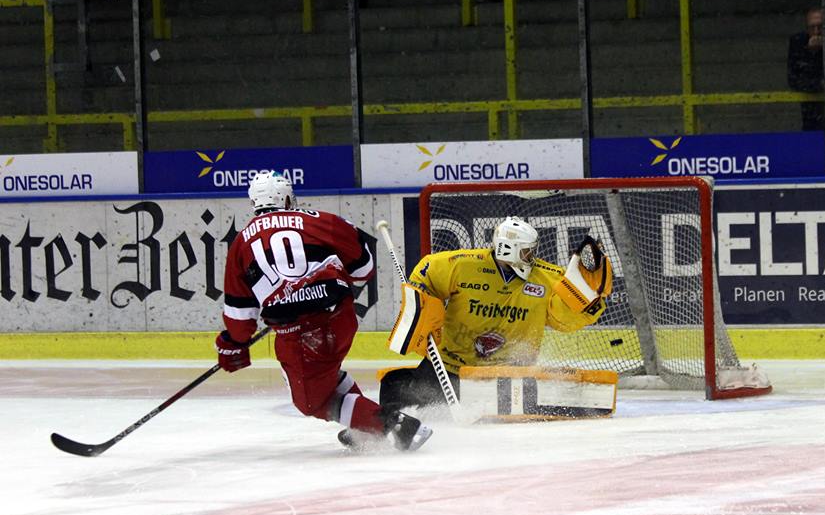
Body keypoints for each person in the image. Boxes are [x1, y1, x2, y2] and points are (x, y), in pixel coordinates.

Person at [215, 171, 432, 452]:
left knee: (312, 402)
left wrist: (233, 344)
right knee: (326, 376)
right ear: (287, 198)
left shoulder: (242, 243)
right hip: (341, 317)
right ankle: (362, 428)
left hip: (301, 336)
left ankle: (398, 427)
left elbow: (240, 316)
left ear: (254, 202)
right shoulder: (320, 220)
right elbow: (364, 269)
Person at [379, 216, 613, 414]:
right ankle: (385, 427)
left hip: (511, 378)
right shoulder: (463, 266)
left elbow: (564, 321)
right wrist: (420, 303)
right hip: (451, 368)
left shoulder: (548, 277)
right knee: (393, 384)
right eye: (527, 251)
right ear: (508, 249)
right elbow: (426, 270)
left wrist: (590, 303)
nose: (533, 256)